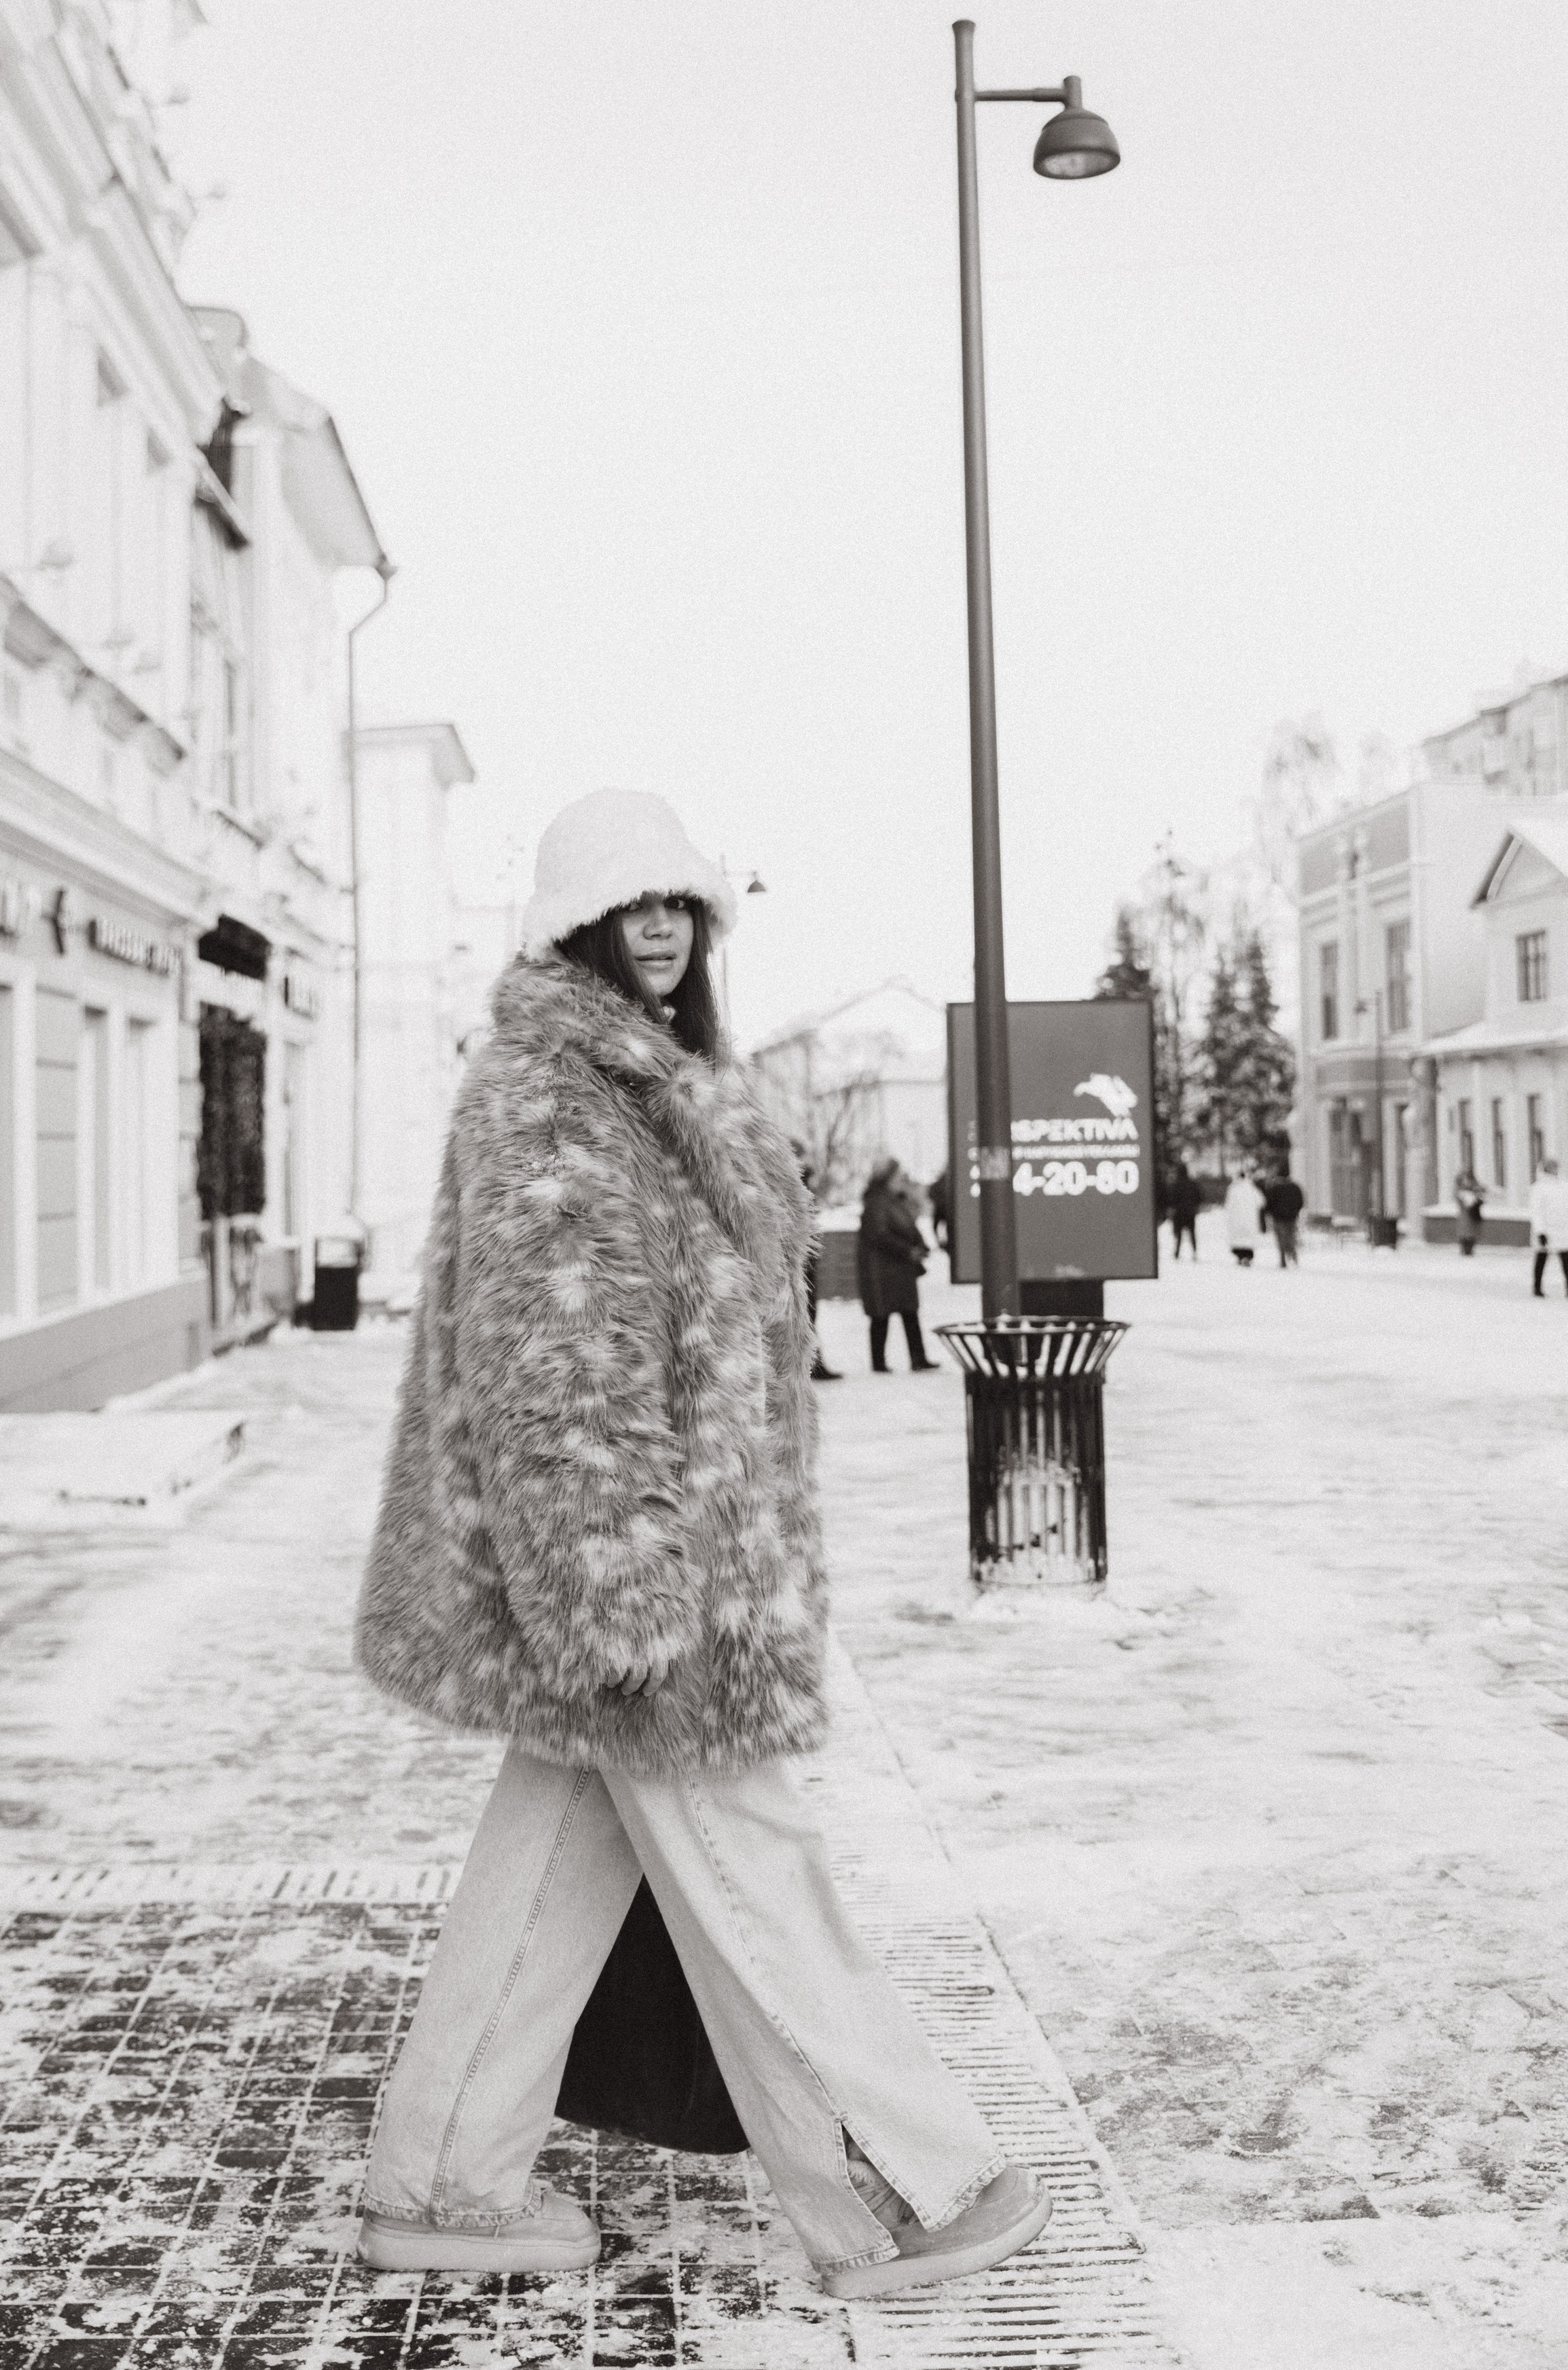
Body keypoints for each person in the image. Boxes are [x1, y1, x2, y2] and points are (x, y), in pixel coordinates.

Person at [352, 791, 1046, 2299]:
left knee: (544, 1874)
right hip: (639, 1584)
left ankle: (443, 2183)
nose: (660, 927)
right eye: (628, 906)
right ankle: (901, 2189)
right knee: (763, 1880)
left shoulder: (667, 1087)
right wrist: (618, 1588)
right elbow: (559, 1361)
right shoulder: (553, 1092)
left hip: (665, 1570)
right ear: (571, 927)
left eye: (682, 905)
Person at [857, 1159, 938, 1372]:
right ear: (888, 1179)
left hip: (899, 1268)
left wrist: (920, 1245)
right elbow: (880, 1234)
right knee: (881, 1316)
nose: (902, 1180)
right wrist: (908, 1250)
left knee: (909, 1313)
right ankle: (880, 1362)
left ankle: (918, 1358)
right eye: (898, 1176)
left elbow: (909, 1227)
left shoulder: (895, 1200)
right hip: (883, 1269)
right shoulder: (877, 1201)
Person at [796, 1150, 841, 1380]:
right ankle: (812, 1365)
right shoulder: (797, 1195)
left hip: (805, 1266)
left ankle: (814, 1363)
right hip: (800, 1268)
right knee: (805, 1316)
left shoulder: (803, 1196)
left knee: (809, 1316)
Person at [1527, 1154, 1568, 1298]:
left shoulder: (1564, 1186)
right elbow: (1536, 1212)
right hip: (1547, 1229)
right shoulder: (1538, 1188)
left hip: (1563, 1229)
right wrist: (1540, 1231)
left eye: (1556, 1167)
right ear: (1545, 1168)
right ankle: (1537, 1287)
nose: (1554, 1170)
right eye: (1551, 1167)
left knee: (1567, 1260)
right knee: (1542, 1258)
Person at [1224, 1165, 1264, 1269]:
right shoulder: (1252, 1188)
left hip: (1236, 1220)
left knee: (1238, 1239)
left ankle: (1240, 1256)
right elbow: (1261, 1202)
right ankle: (1247, 1257)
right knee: (1248, 1240)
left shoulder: (1233, 1189)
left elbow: (1228, 1205)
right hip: (1250, 1219)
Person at [1264, 1168, 1304, 1267]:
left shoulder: (1274, 1188)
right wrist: (1296, 1211)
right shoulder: (1295, 1187)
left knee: (1281, 1239)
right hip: (1292, 1217)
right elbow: (1300, 1201)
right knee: (1291, 1237)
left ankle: (1283, 1260)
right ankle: (1294, 1257)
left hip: (1278, 1218)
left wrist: (1270, 1213)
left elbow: (1269, 1203)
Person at [1168, 1164, 1202, 1260]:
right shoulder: (1192, 1183)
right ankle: (1194, 1252)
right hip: (1190, 1212)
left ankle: (1177, 1252)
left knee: (1178, 1234)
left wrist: (1172, 1208)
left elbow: (1172, 1198)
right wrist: (1196, 1207)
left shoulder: (1176, 1184)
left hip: (1179, 1213)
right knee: (1192, 1234)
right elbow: (1199, 1196)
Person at [1453, 1167, 1486, 1258]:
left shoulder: (1473, 1187)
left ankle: (1468, 1247)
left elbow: (1480, 1195)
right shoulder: (1462, 1191)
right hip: (1467, 1214)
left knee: (1470, 1231)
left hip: (1472, 1214)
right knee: (1467, 1231)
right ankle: (1466, 1248)